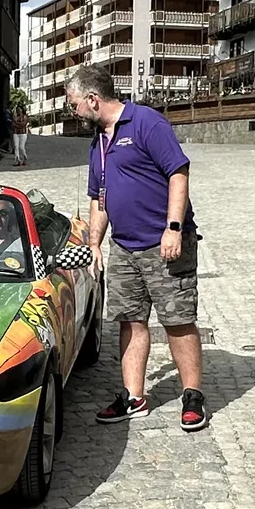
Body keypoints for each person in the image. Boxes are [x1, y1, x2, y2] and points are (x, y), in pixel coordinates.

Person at [66, 64, 204, 430]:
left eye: (75, 104)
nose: (74, 112)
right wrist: (94, 243)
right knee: (131, 319)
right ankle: (134, 396)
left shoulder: (147, 123)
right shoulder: (97, 143)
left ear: (93, 100)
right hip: (124, 248)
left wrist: (173, 228)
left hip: (164, 244)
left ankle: (192, 396)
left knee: (177, 320)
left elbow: (178, 172)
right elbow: (99, 198)